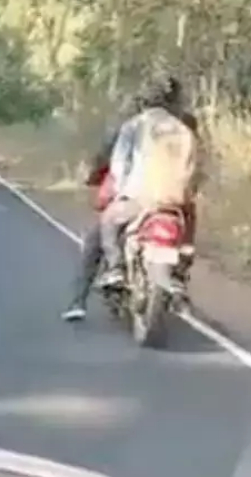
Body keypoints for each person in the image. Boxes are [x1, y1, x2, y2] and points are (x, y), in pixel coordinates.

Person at [60, 75, 200, 322]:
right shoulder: (186, 127)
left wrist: (120, 188)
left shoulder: (135, 124)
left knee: (103, 229)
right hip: (177, 201)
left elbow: (114, 162)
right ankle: (179, 274)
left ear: (144, 100)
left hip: (139, 198)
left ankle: (99, 282)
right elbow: (195, 166)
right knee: (187, 228)